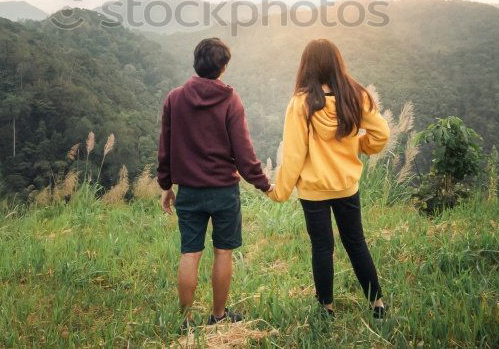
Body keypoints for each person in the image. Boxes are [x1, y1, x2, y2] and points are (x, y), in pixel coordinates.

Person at [267, 38, 389, 319]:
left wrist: (280, 191)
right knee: (356, 242)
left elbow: (294, 154)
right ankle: (377, 304)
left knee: (322, 247)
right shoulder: (354, 96)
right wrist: (360, 145)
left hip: (314, 191)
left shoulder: (301, 103)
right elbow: (381, 134)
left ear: (306, 66)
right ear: (337, 63)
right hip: (346, 185)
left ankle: (326, 308)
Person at [157, 37, 272, 328]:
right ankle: (219, 316)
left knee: (190, 253)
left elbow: (165, 145)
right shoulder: (230, 99)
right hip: (223, 191)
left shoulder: (174, 98)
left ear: (196, 62)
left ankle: (185, 321)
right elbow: (244, 152)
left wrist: (166, 185)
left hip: (190, 191)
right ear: (223, 67)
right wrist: (264, 184)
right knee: (223, 252)